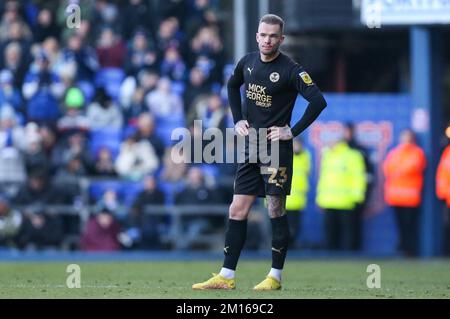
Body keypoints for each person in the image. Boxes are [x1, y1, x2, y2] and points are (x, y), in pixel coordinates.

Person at [192, 14, 327, 291]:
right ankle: (226, 276)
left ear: (281, 39)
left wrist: (292, 130)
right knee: (237, 207)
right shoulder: (247, 62)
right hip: (251, 145)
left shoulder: (291, 69)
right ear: (257, 36)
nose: (267, 40)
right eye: (263, 35)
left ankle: (275, 276)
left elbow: (318, 101)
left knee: (275, 208)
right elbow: (232, 86)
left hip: (276, 149)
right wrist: (238, 118)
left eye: (273, 36)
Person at [316, 135, 366, 251]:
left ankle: (348, 257)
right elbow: (323, 178)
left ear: (340, 143)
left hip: (346, 201)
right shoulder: (327, 155)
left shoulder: (353, 156)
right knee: (330, 233)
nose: (330, 144)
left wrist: (357, 197)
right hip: (328, 201)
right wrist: (320, 198)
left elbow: (358, 177)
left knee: (348, 234)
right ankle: (330, 258)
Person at [383, 129, 426, 257]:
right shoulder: (395, 153)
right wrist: (399, 170)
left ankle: (409, 250)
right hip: (395, 197)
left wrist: (399, 170)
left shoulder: (417, 153)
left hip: (410, 198)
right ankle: (402, 248)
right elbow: (387, 169)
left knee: (409, 226)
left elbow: (412, 168)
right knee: (400, 225)